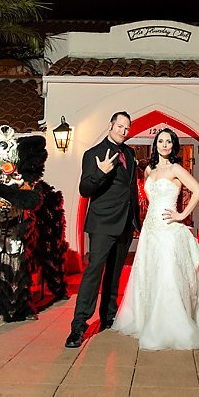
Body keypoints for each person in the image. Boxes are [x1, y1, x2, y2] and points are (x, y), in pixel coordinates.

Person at [111, 128, 199, 350]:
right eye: (160, 141)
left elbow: (198, 191)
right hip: (150, 230)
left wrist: (182, 215)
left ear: (173, 146)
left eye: (168, 142)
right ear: (155, 145)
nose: (164, 145)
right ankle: (147, 320)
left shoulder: (177, 168)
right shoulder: (149, 170)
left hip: (168, 228)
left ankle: (171, 325)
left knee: (168, 274)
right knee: (149, 272)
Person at [66, 112, 141, 348]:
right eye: (119, 126)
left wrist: (136, 220)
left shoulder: (130, 153)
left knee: (115, 273)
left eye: (127, 128)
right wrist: (101, 172)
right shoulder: (93, 154)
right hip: (102, 224)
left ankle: (108, 315)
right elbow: (85, 189)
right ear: (110, 125)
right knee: (94, 273)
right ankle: (78, 326)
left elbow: (130, 188)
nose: (123, 131)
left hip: (125, 222)